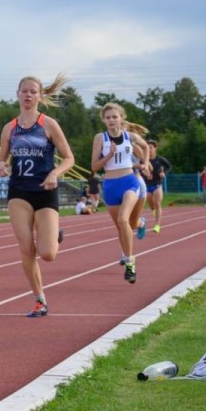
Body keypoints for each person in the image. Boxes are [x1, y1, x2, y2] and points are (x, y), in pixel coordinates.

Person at [0, 75, 75, 317]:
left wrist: (55, 172)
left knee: (48, 254)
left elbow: (69, 158)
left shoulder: (49, 124)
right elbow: (2, 158)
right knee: (26, 250)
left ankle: (53, 236)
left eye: (33, 92)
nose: (28, 95)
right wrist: (1, 165)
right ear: (18, 94)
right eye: (25, 91)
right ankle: (40, 299)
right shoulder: (9, 128)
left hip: (45, 190)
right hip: (19, 191)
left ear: (40, 96)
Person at [92, 103, 149, 283]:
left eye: (114, 117)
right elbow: (94, 167)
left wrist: (145, 163)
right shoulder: (100, 138)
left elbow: (146, 147)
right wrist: (108, 156)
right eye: (107, 117)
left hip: (129, 181)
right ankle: (130, 244)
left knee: (123, 220)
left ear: (121, 118)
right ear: (104, 120)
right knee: (122, 226)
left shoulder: (129, 136)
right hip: (110, 185)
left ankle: (130, 263)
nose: (111, 120)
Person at [143, 140, 171, 233]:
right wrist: (146, 174)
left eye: (151, 147)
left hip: (157, 184)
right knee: (151, 204)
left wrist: (164, 173)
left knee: (157, 203)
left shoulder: (160, 159)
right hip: (147, 185)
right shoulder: (144, 160)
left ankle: (157, 225)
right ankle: (154, 211)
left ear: (155, 148)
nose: (149, 149)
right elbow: (140, 170)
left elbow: (169, 166)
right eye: (148, 148)